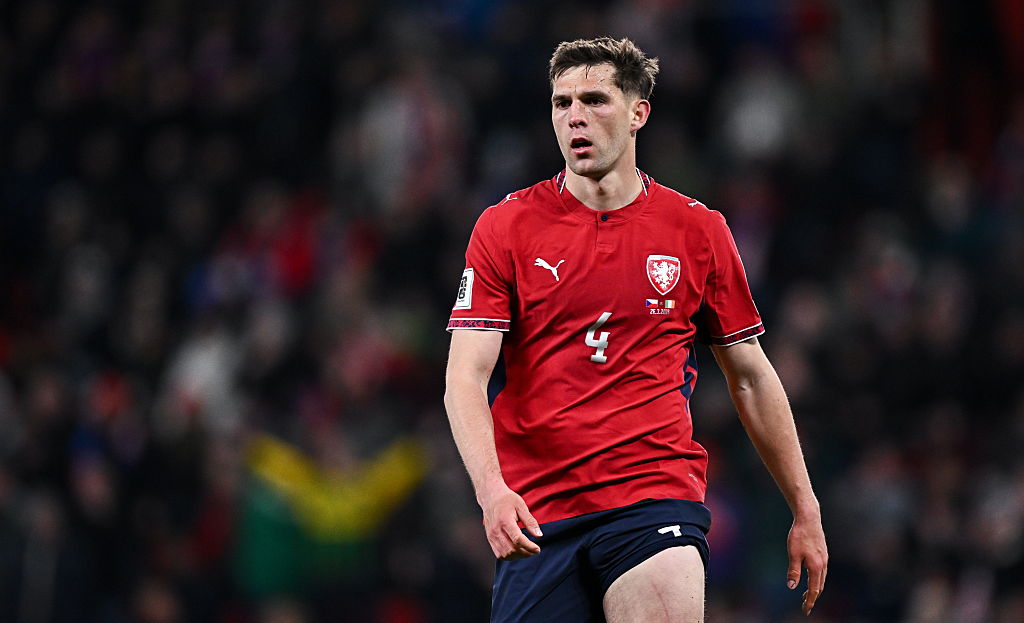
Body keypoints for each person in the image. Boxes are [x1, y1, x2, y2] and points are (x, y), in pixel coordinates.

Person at [443, 37, 827, 622]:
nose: (575, 115)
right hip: (538, 514)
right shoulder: (506, 227)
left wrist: (804, 505)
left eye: (595, 100)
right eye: (561, 102)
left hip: (651, 496)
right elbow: (465, 378)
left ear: (638, 112)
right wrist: (492, 490)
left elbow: (749, 376)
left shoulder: (696, 231)